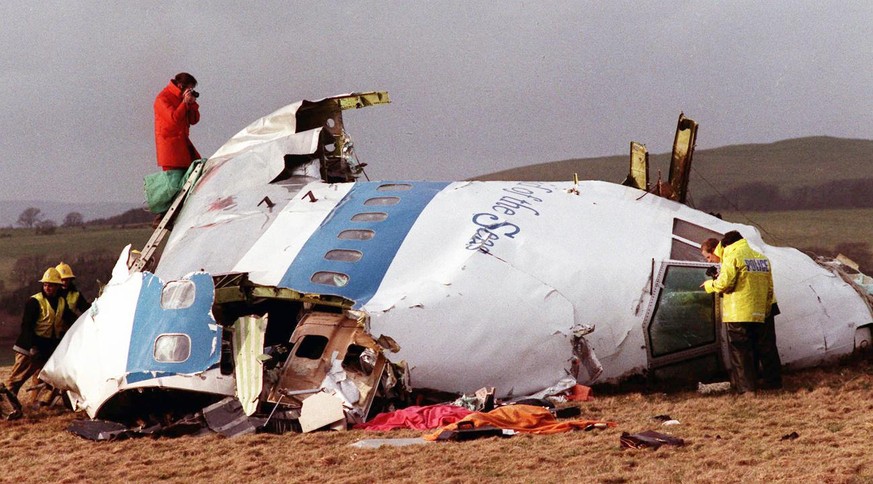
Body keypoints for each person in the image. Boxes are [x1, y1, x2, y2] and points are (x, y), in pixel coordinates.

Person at [701, 231, 781, 393]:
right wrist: (766, 309)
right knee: (767, 348)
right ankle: (774, 384)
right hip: (762, 310)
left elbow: (725, 283)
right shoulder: (761, 258)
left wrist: (710, 285)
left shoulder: (733, 256)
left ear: (724, 246)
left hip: (739, 311)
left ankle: (747, 389)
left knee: (741, 351)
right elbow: (770, 287)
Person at [4, 268, 75, 402]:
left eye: (51, 285)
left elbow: (71, 319)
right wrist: (32, 347)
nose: (48, 287)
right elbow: (27, 326)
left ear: (58, 286)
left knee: (51, 377)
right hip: (28, 348)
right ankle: (5, 406)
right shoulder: (35, 301)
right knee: (16, 380)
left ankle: (39, 404)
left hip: (46, 347)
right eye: (46, 284)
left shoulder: (61, 302)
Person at [154, 72, 201, 171]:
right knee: (176, 182)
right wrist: (184, 103)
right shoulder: (162, 99)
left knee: (197, 171)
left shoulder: (182, 98)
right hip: (171, 151)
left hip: (184, 145)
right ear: (180, 86)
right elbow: (174, 119)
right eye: (189, 89)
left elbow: (194, 120)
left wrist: (192, 104)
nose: (191, 91)